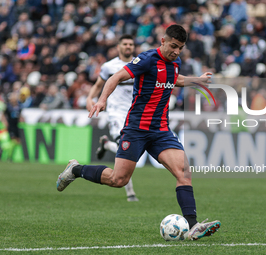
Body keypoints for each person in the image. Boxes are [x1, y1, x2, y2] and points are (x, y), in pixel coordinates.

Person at [56, 25, 221, 240]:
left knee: (184, 174)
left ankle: (192, 226)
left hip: (161, 130)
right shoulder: (147, 59)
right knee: (118, 180)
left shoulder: (175, 62)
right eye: (173, 46)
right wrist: (102, 100)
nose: (176, 52)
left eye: (180, 48)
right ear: (163, 40)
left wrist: (195, 80)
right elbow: (114, 78)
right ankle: (76, 170)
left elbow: (174, 79)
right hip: (136, 129)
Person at [86, 34, 139, 202]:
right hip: (116, 113)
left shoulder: (139, 64)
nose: (128, 46)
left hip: (135, 114)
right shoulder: (109, 66)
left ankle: (106, 144)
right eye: (125, 44)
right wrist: (90, 99)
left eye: (131, 44)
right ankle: (130, 193)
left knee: (127, 150)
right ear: (118, 47)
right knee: (124, 150)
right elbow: (98, 85)